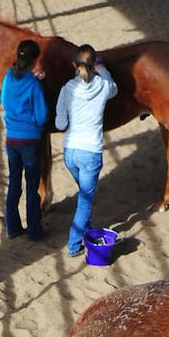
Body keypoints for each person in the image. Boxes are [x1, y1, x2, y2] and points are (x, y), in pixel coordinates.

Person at [55, 44, 118, 257]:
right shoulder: (103, 85)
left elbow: (61, 124)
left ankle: (87, 230)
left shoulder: (66, 89)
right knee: (85, 201)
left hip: (70, 152)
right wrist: (103, 69)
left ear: (74, 65)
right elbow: (114, 87)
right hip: (91, 151)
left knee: (84, 196)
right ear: (94, 65)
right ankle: (74, 245)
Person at [0, 39, 49, 241]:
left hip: (11, 139)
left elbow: (4, 100)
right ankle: (34, 231)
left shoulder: (9, 77)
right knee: (32, 185)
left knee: (13, 183)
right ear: (34, 60)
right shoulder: (34, 86)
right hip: (30, 141)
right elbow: (42, 116)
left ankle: (12, 227)